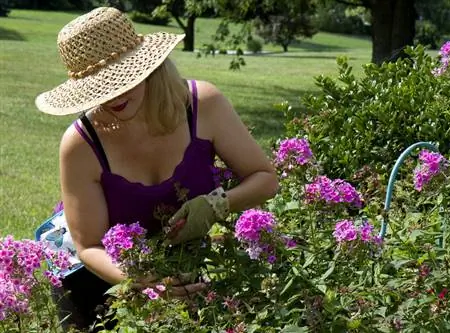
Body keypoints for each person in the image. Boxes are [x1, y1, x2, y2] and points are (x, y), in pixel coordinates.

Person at [35, 7, 279, 331]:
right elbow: (90, 246)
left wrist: (215, 204)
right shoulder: (80, 144)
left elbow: (266, 179)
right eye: (101, 87)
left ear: (147, 64)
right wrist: (146, 281)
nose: (115, 95)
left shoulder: (202, 104)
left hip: (177, 259)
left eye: (124, 77)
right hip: (96, 271)